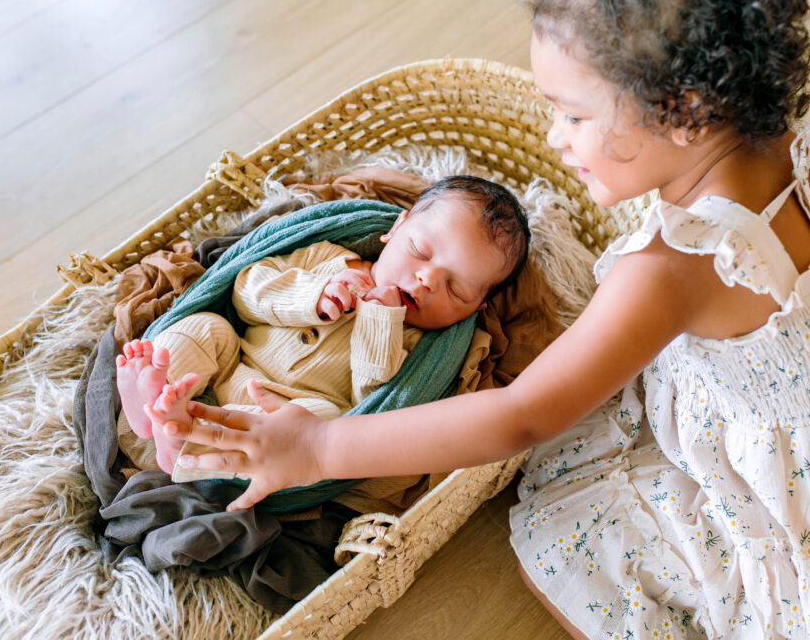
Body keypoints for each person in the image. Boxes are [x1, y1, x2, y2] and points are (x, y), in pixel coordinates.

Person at [159, 0, 810, 637]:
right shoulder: (794, 149)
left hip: (786, 490)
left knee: (561, 534)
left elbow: (523, 415)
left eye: (571, 114)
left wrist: (319, 448)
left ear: (683, 113)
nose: (552, 138)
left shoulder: (674, 265)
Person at [115, 175, 530, 475]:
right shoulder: (329, 257)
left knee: (322, 416)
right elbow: (245, 290)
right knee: (207, 327)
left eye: (456, 290)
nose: (427, 281)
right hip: (234, 361)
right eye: (420, 250)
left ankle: (182, 436)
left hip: (289, 409)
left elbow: (372, 401)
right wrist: (311, 295)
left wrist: (380, 319)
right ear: (395, 229)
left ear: (477, 309)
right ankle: (151, 397)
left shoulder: (420, 342)